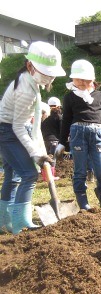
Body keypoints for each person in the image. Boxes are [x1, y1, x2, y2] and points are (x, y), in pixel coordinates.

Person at [0, 41, 65, 234]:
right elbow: (19, 126)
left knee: (13, 176)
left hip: (11, 129)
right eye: (45, 73)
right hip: (8, 131)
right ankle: (20, 222)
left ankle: (4, 220)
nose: (49, 77)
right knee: (29, 174)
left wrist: (37, 149)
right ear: (30, 66)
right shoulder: (25, 90)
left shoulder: (28, 81)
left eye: (51, 73)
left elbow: (30, 125)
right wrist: (36, 155)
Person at [55, 59, 101, 211]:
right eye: (77, 79)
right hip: (77, 134)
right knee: (80, 170)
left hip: (97, 134)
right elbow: (66, 120)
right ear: (72, 79)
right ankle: (82, 201)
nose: (81, 82)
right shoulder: (70, 97)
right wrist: (62, 142)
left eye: (85, 79)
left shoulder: (100, 96)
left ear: (92, 79)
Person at [41, 96, 63, 181]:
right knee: (52, 159)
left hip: (44, 140)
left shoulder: (44, 116)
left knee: (44, 159)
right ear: (58, 106)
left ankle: (45, 177)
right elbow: (62, 130)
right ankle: (51, 176)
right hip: (54, 141)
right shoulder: (59, 117)